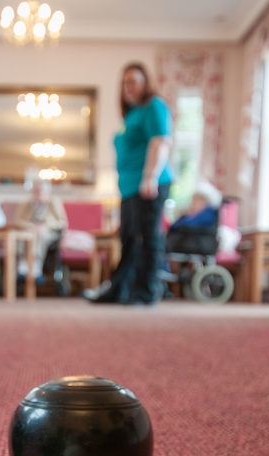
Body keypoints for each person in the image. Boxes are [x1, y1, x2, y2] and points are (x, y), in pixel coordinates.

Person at [86, 62, 173, 305]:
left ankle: (146, 292)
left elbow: (161, 141)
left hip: (149, 183)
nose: (129, 87)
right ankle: (119, 289)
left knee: (147, 237)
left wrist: (150, 176)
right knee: (127, 238)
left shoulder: (153, 106)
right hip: (129, 188)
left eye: (134, 81)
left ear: (146, 82)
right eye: (125, 82)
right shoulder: (132, 114)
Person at [15, 179, 68, 280]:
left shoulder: (54, 202)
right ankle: (22, 267)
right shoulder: (26, 204)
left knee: (39, 234)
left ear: (48, 192)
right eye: (36, 191)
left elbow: (62, 222)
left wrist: (46, 225)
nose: (38, 193)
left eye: (41, 191)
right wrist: (31, 225)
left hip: (49, 233)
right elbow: (19, 221)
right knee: (25, 236)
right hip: (29, 231)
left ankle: (36, 269)